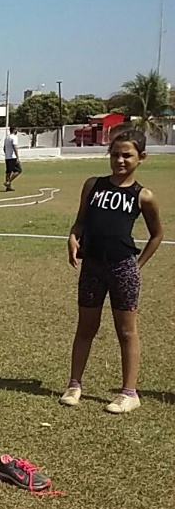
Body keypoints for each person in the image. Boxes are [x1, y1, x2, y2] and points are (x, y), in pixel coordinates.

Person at [60, 129, 163, 414]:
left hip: (123, 268)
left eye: (127, 155)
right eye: (115, 154)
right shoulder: (93, 185)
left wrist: (136, 266)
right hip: (92, 267)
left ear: (141, 158)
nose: (120, 160)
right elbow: (80, 222)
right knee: (86, 327)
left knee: (126, 331)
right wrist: (72, 237)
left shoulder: (144, 196)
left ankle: (129, 393)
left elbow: (157, 235)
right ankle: (74, 385)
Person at [3, 126, 22, 191]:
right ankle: (8, 182)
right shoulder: (14, 137)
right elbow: (14, 147)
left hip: (7, 157)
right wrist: (17, 157)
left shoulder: (7, 137)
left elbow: (4, 148)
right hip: (12, 157)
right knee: (18, 170)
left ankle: (8, 187)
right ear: (14, 130)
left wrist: (6, 154)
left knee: (8, 172)